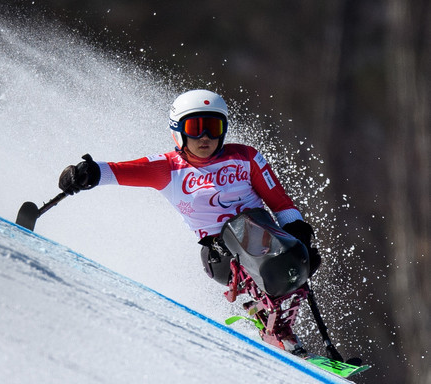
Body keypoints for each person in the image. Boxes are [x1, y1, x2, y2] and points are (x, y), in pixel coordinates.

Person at [58, 88, 320, 288]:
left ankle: (291, 322)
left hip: (268, 241)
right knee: (256, 248)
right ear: (178, 131)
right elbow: (118, 170)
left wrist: (297, 233)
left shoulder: (246, 157)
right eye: (195, 128)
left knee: (296, 256)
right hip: (219, 254)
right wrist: (86, 173)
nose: (205, 136)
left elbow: (281, 204)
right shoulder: (168, 168)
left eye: (213, 128)